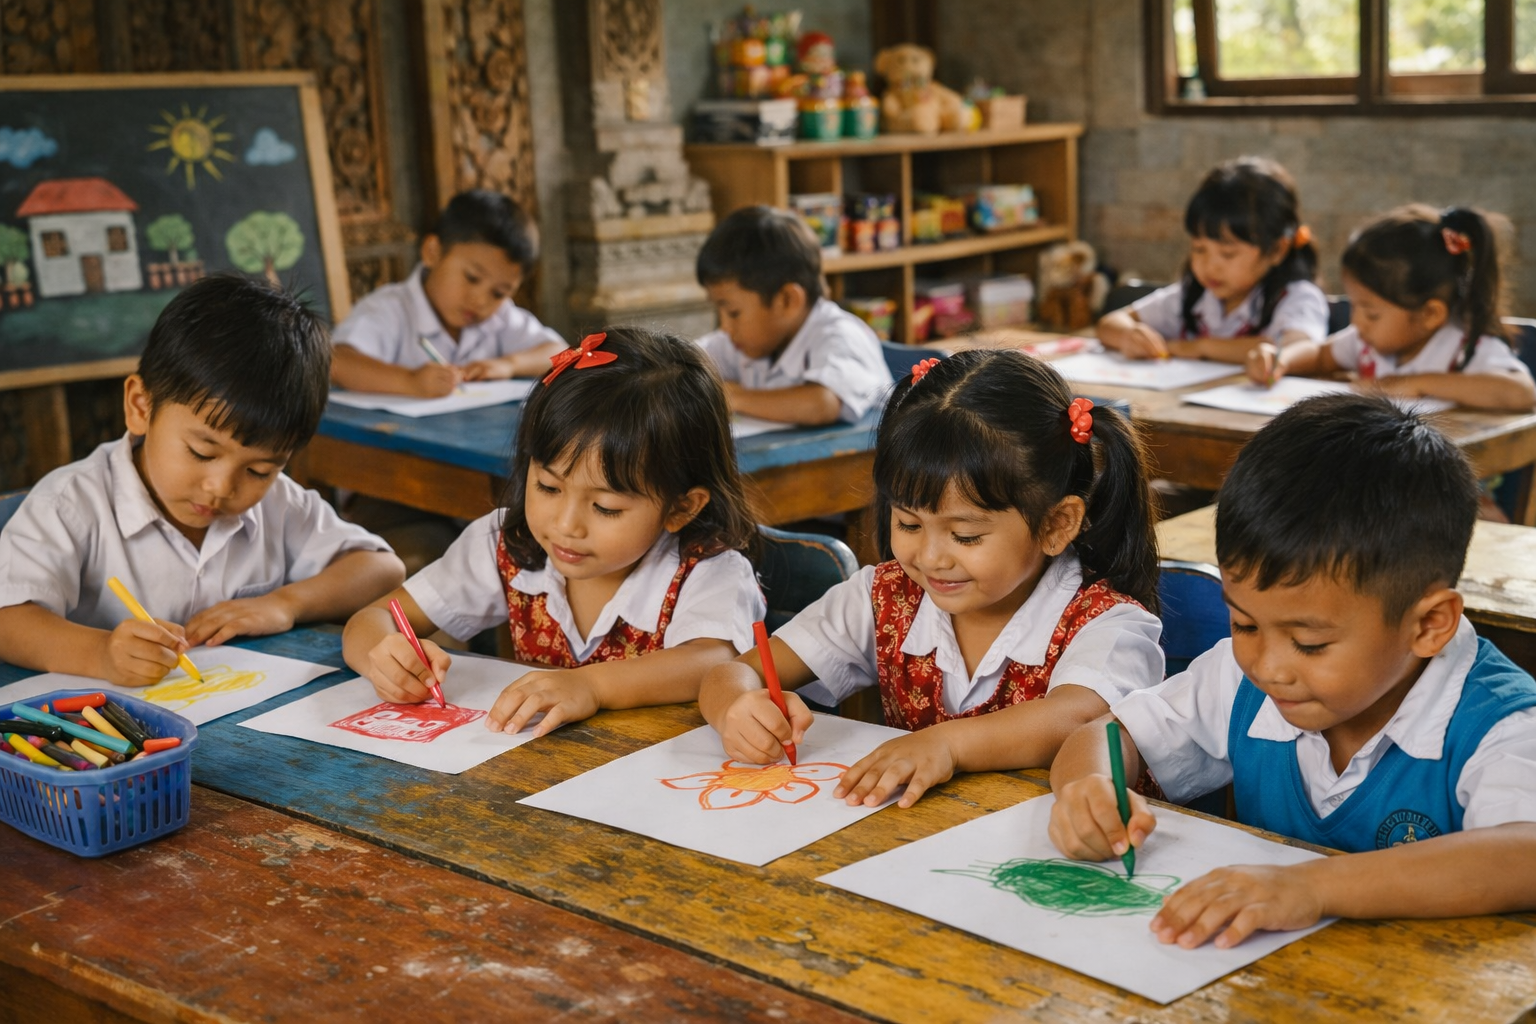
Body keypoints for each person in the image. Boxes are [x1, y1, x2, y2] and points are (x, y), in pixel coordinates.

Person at [1049, 392, 1536, 949]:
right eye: (1245, 625)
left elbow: (1524, 854)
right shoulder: (1241, 679)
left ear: (1428, 625)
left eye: (1309, 643)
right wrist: (1087, 789)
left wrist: (1313, 887)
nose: (1269, 666)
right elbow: (1107, 733)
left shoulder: (1499, 724)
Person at [700, 349, 1164, 808]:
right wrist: (736, 707)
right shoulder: (886, 597)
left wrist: (949, 745)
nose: (930, 557)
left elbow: (1079, 718)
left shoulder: (1108, 623)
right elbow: (734, 671)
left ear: (1056, 524)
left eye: (965, 535)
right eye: (908, 524)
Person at [343, 327, 765, 736]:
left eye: (605, 507)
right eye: (547, 487)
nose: (565, 525)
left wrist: (592, 686)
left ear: (681, 507)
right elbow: (373, 618)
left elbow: (714, 662)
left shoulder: (709, 570)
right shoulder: (506, 543)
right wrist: (384, 659)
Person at [0, 275, 405, 687]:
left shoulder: (277, 504)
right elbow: (7, 619)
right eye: (202, 453)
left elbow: (382, 569)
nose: (222, 487)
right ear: (141, 406)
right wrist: (100, 654)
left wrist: (284, 604)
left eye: (259, 470)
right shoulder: (71, 503)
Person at [1247, 205, 1535, 413]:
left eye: (1371, 313)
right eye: (1355, 306)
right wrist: (1281, 358)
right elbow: (1321, 356)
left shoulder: (1465, 347)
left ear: (1430, 315)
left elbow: (1521, 392)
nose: (1357, 321)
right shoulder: (1365, 342)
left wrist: (1417, 383)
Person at [331, 189, 566, 397]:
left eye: (498, 293)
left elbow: (560, 352)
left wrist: (510, 364)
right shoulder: (391, 308)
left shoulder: (500, 318)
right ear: (432, 252)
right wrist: (409, 381)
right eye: (472, 278)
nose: (480, 300)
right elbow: (337, 362)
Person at [1099, 157, 1327, 364]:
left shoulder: (1298, 298)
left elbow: (1299, 349)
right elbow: (1111, 323)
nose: (1210, 266)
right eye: (1199, 249)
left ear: (1277, 250)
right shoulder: (1194, 296)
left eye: (1228, 254)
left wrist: (1202, 347)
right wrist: (1128, 335)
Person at [695, 205, 892, 425]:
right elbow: (691, 358)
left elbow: (821, 404)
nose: (725, 327)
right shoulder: (747, 342)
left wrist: (734, 396)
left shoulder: (841, 336)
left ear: (788, 300)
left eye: (733, 312)